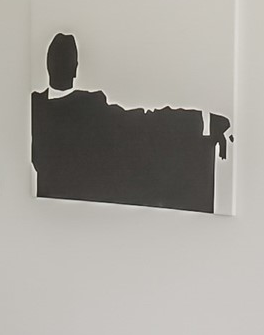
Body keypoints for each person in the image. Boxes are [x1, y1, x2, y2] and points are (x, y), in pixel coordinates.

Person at [31, 32, 229, 213]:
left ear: (48, 66)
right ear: (75, 69)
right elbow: (145, 124)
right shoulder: (90, 108)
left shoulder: (33, 108)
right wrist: (204, 122)